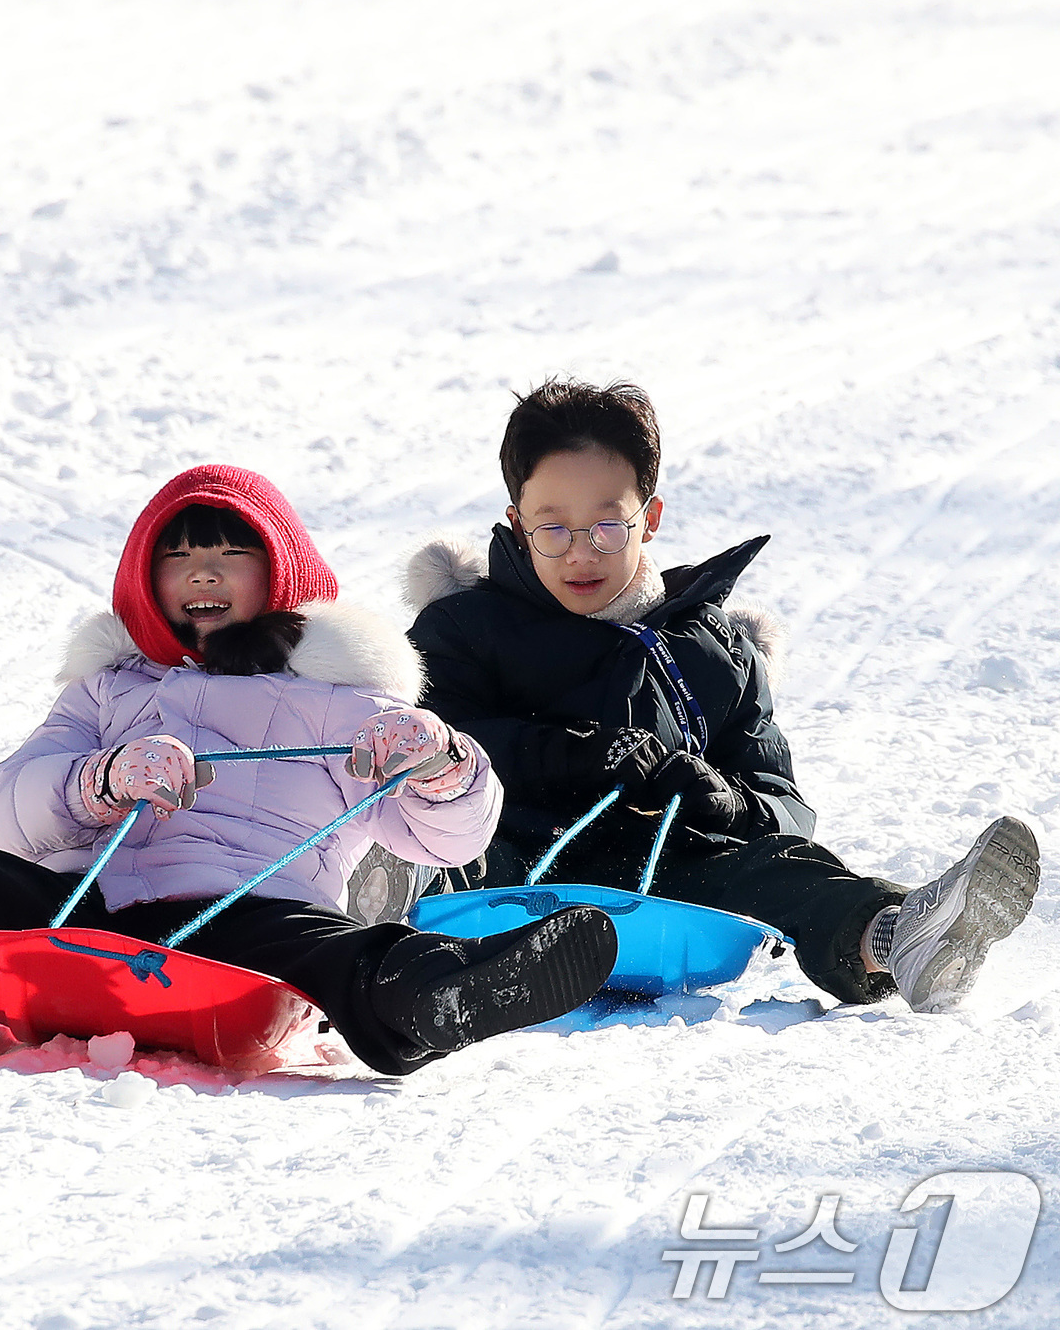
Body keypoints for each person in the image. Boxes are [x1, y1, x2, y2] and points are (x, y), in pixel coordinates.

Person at [0, 463, 616, 1076]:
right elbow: (12, 806)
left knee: (332, 950)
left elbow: (451, 837)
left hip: (247, 925)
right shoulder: (109, 691)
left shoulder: (347, 704)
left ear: (279, 570)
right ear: (146, 576)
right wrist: (101, 779)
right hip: (89, 906)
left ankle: (439, 991)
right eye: (177, 555)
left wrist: (440, 762)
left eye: (227, 552)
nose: (201, 571)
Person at [407, 380, 1041, 1014]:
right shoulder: (469, 628)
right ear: (519, 525)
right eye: (555, 530)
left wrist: (726, 804)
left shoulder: (716, 653)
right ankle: (377, 936)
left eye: (606, 527)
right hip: (515, 874)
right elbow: (434, 742)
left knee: (781, 867)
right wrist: (572, 755)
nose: (582, 553)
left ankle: (902, 941)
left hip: (667, 886)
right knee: (442, 839)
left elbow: (782, 802)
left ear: (648, 519)